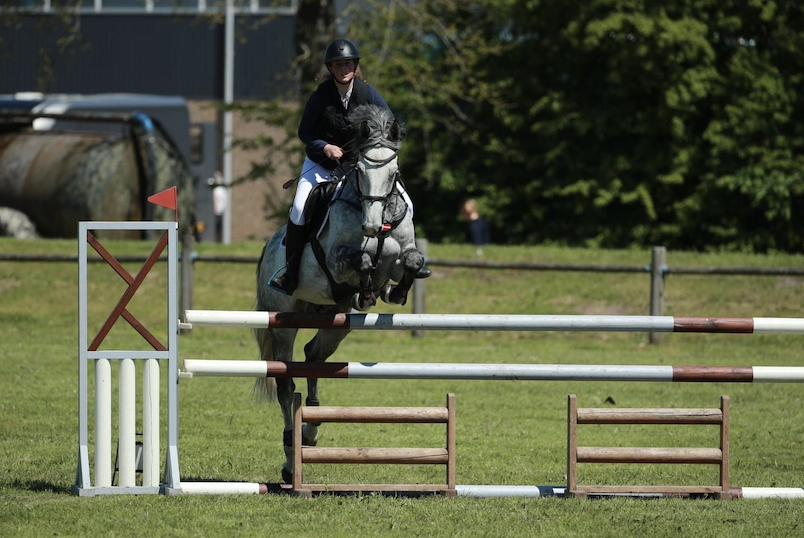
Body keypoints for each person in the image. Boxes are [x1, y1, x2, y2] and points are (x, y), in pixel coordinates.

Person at [270, 38, 428, 294]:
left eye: (347, 64)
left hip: (359, 165)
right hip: (322, 164)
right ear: (330, 68)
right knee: (299, 208)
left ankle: (409, 258)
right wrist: (325, 147)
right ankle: (290, 270)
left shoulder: (368, 93)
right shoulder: (320, 97)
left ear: (355, 66)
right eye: (338, 65)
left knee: (405, 202)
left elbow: (390, 123)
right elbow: (305, 132)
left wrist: (378, 146)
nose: (343, 69)